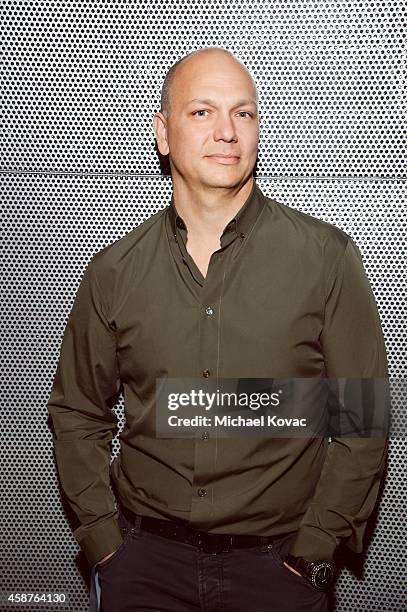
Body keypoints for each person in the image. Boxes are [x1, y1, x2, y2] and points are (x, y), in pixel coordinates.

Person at [47, 46, 389, 612]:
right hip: (143, 567)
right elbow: (78, 412)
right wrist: (105, 544)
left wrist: (314, 552)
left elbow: (360, 421)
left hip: (279, 573)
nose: (227, 131)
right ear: (163, 131)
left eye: (243, 113)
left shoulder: (326, 258)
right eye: (202, 111)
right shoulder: (114, 271)